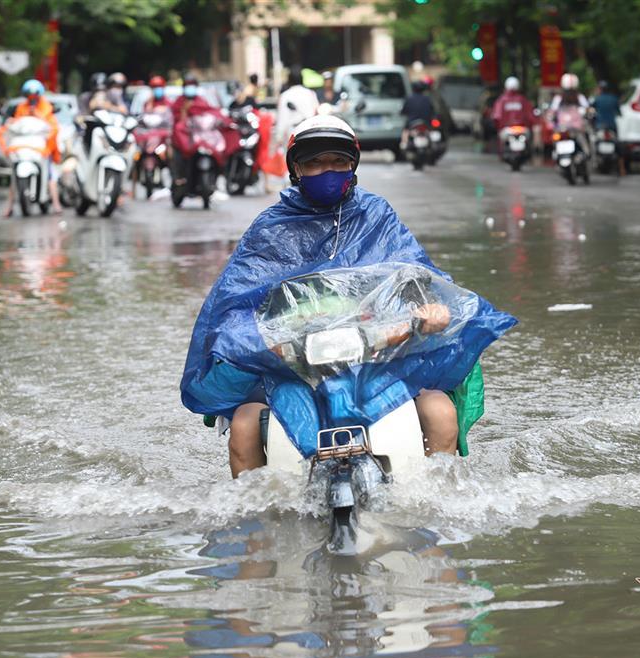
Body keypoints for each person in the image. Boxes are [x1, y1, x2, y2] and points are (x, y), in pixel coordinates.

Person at [180, 115, 517, 478]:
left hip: (378, 353)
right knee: (244, 427)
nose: (328, 170)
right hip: (291, 363)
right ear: (296, 169)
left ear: (353, 166)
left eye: (338, 162)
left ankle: (439, 505)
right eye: (315, 163)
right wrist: (246, 337)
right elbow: (237, 300)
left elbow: (415, 272)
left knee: (440, 413)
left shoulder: (377, 216)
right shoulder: (270, 229)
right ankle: (255, 527)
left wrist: (433, 308)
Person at [0, 78, 62, 217]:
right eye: (29, 97)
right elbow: (17, 125)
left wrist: (37, 115)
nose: (32, 99)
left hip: (41, 146)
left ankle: (56, 203)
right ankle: (9, 207)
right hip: (24, 145)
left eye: (34, 97)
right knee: (14, 174)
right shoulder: (21, 107)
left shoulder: (46, 107)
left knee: (50, 173)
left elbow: (52, 127)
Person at [491, 76, 536, 155]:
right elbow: (531, 116)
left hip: (507, 129)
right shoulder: (522, 99)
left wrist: (498, 127)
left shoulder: (502, 100)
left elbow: (497, 117)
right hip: (522, 129)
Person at [591, 80, 625, 175]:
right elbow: (619, 113)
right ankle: (622, 169)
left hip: (599, 126)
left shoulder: (597, 99)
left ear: (600, 89)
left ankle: (593, 162)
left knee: (593, 142)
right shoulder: (614, 99)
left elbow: (590, 110)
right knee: (618, 145)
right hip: (611, 126)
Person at [399, 78, 435, 151]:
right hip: (426, 122)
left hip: (412, 122)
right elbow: (432, 110)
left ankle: (404, 143)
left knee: (405, 131)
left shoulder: (409, 99)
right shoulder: (427, 99)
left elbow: (403, 111)